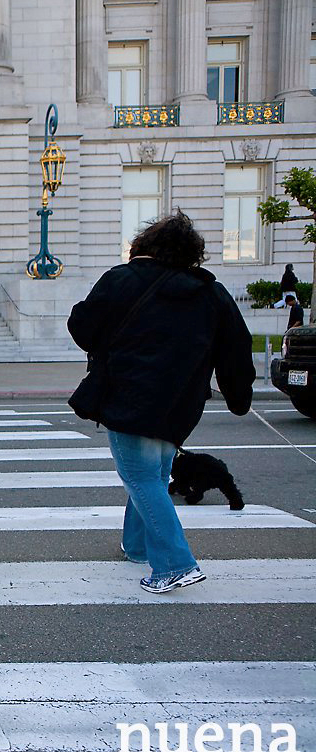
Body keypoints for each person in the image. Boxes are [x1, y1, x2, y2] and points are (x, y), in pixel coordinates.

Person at [67, 211, 254, 594]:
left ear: (146, 245)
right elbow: (237, 348)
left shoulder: (122, 279)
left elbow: (82, 328)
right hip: (181, 404)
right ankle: (137, 547)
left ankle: (175, 564)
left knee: (140, 478)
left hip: (129, 397)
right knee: (150, 477)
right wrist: (239, 397)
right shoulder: (211, 292)